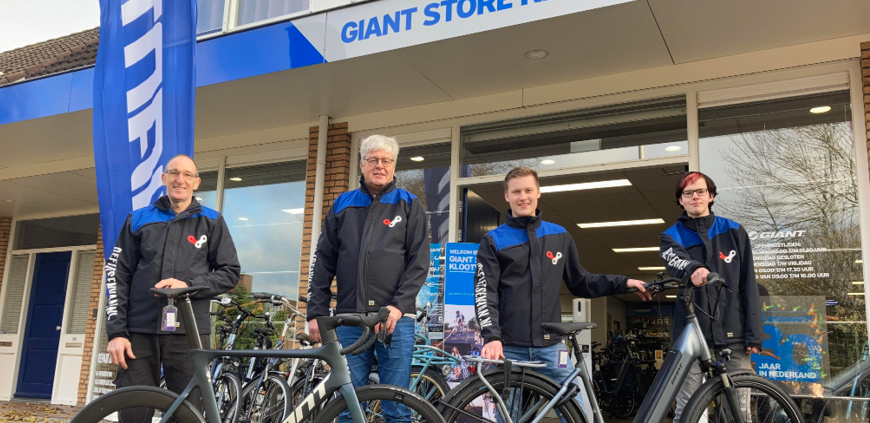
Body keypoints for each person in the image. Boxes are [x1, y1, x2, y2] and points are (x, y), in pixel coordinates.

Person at [476, 167, 651, 414]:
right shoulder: (494, 240)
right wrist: (492, 336)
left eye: (528, 190)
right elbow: (485, 293)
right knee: (509, 416)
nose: (522, 197)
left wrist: (624, 283)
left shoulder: (559, 235)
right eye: (516, 191)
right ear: (507, 196)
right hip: (508, 346)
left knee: (575, 411)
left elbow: (581, 281)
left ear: (538, 192)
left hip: (550, 345)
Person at [105, 154, 241, 422]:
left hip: (189, 333)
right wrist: (116, 333)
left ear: (197, 182)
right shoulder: (139, 219)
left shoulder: (212, 221)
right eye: (174, 173)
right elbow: (117, 275)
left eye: (187, 175)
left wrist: (188, 286)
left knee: (188, 414)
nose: (180, 180)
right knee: (133, 411)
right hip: (138, 334)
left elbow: (230, 273)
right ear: (163, 178)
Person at [306, 135, 428, 423]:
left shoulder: (409, 204)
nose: (379, 165)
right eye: (373, 159)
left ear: (394, 165)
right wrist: (316, 312)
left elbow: (419, 261)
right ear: (361, 164)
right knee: (347, 405)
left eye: (386, 160)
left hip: (395, 320)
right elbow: (322, 261)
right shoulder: (342, 205)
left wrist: (399, 305)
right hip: (349, 320)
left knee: (397, 407)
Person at [659, 171, 763, 423]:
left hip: (734, 334)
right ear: (680, 200)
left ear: (711, 196)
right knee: (688, 408)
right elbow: (676, 261)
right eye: (688, 193)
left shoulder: (734, 231)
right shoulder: (670, 236)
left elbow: (748, 284)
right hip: (693, 337)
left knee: (739, 410)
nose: (694, 196)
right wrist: (693, 268)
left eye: (700, 191)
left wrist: (754, 334)